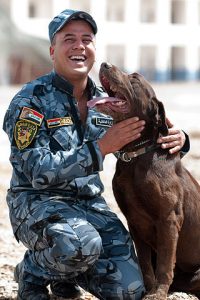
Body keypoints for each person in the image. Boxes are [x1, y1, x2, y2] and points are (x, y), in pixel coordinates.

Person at [3, 9, 189, 300]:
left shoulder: (108, 100)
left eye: (86, 39)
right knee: (79, 244)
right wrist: (100, 148)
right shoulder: (30, 101)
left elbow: (146, 131)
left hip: (89, 207)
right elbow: (34, 168)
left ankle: (66, 272)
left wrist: (180, 139)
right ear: (52, 50)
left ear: (93, 49)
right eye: (69, 39)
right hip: (36, 202)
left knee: (130, 291)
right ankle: (33, 271)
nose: (79, 45)